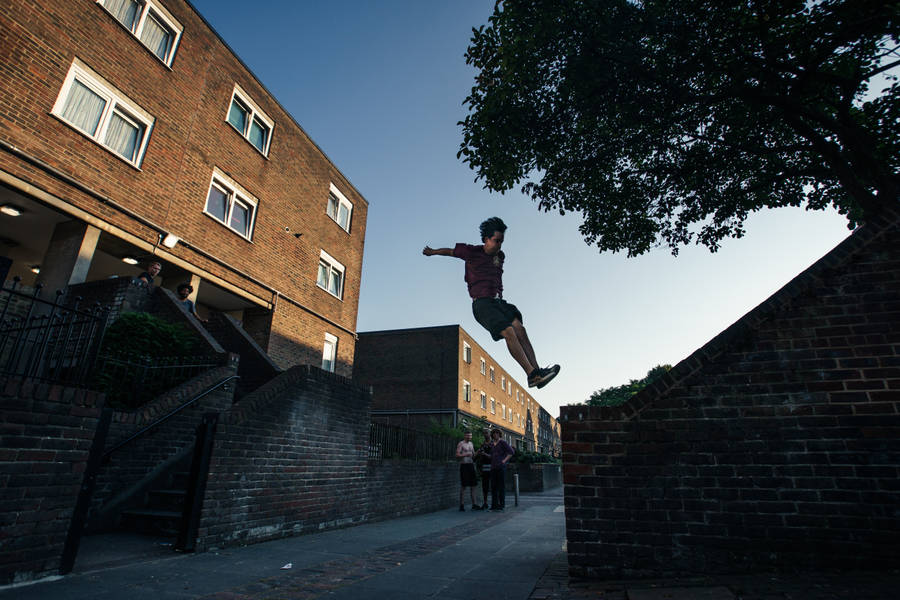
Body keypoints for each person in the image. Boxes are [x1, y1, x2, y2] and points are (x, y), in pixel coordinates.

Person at [423, 217, 559, 389]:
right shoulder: (471, 251)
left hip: (498, 303)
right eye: (496, 241)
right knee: (509, 331)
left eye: (502, 241)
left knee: (519, 328)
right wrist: (433, 251)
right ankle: (531, 375)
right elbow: (450, 251)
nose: (499, 245)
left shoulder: (500, 256)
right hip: (482, 305)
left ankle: (537, 372)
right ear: (486, 239)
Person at [489, 428, 514, 511]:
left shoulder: (503, 442)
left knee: (501, 487)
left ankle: (501, 504)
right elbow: (492, 455)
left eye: (497, 433)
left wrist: (504, 461)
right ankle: (494, 505)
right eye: (494, 433)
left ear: (499, 434)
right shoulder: (492, 444)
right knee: (493, 487)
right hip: (493, 467)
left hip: (501, 467)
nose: (495, 435)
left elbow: (511, 452)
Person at [456, 430, 478, 511]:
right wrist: (465, 454)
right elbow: (457, 454)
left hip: (471, 465)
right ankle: (461, 505)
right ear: (465, 436)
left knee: (473, 485)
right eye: (468, 436)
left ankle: (474, 504)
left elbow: (474, 455)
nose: (469, 437)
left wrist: (478, 452)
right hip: (464, 466)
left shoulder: (471, 444)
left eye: (470, 436)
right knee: (464, 486)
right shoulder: (461, 444)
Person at [473, 428, 493, 510]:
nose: (485, 435)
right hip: (484, 467)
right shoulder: (483, 444)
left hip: (492, 467)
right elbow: (477, 455)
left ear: (490, 434)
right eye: (484, 433)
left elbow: (493, 456)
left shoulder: (493, 444)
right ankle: (485, 502)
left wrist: (484, 454)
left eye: (486, 433)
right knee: (485, 485)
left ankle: (495, 502)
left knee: (493, 485)